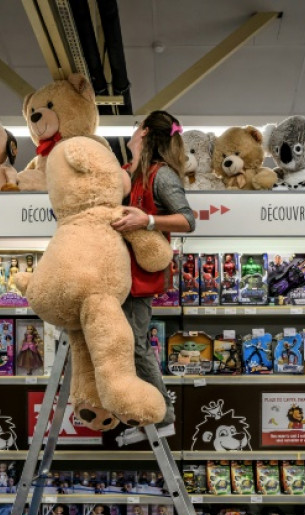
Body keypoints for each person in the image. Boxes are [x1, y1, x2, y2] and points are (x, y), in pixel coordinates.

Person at [111, 110, 195, 442]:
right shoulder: (132, 174)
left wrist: (146, 221)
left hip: (138, 278)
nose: (132, 133)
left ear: (144, 133)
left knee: (136, 345)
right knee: (122, 345)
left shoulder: (161, 175)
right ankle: (142, 416)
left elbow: (187, 220)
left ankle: (162, 419)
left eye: (136, 127)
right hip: (119, 275)